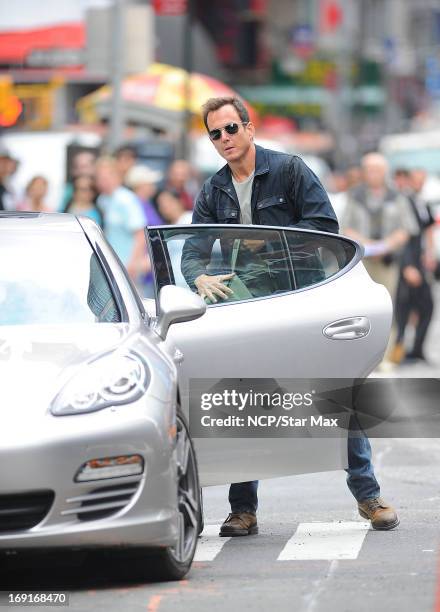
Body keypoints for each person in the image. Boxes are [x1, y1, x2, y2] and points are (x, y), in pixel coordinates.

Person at [187, 96, 399, 537]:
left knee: (334, 392)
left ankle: (369, 496)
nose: (224, 139)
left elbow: (326, 229)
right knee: (242, 402)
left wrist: (276, 242)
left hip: (300, 299)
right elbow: (193, 250)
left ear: (248, 128)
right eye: (215, 134)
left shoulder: (289, 170)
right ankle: (242, 510)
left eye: (230, 129)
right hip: (245, 306)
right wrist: (200, 277)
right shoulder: (213, 189)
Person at [342, 153, 419, 365]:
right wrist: (367, 244)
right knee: (362, 310)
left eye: (378, 170)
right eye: (369, 170)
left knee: (388, 307)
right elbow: (345, 226)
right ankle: (363, 357)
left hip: (388, 261)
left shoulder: (397, 196)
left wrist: (387, 245)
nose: (373, 174)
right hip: (362, 262)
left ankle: (385, 356)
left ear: (385, 172)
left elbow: (407, 229)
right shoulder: (355, 195)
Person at [393, 168, 436, 363]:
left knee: (427, 306)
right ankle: (397, 353)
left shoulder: (423, 202)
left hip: (420, 262)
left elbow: (428, 231)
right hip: (406, 262)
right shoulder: (402, 202)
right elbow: (403, 236)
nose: (420, 183)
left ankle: (417, 349)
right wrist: (407, 266)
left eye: (423, 180)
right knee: (402, 309)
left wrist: (430, 254)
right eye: (417, 180)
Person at [95, 157, 149, 284]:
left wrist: (133, 264)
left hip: (127, 266)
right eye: (99, 178)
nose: (103, 182)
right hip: (109, 265)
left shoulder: (126, 199)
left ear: (116, 176)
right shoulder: (101, 200)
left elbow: (140, 234)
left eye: (106, 177)